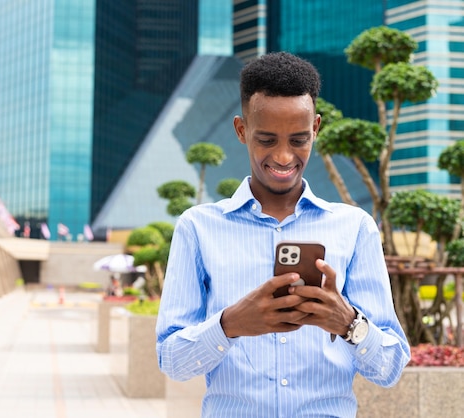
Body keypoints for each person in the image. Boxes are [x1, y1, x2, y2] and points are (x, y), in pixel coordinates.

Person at [155, 52, 410, 417]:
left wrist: (349, 323)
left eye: (299, 140)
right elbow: (172, 361)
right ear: (242, 131)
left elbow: (391, 369)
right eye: (267, 139)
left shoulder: (355, 228)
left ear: (316, 128)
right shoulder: (197, 228)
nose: (284, 157)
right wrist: (230, 325)